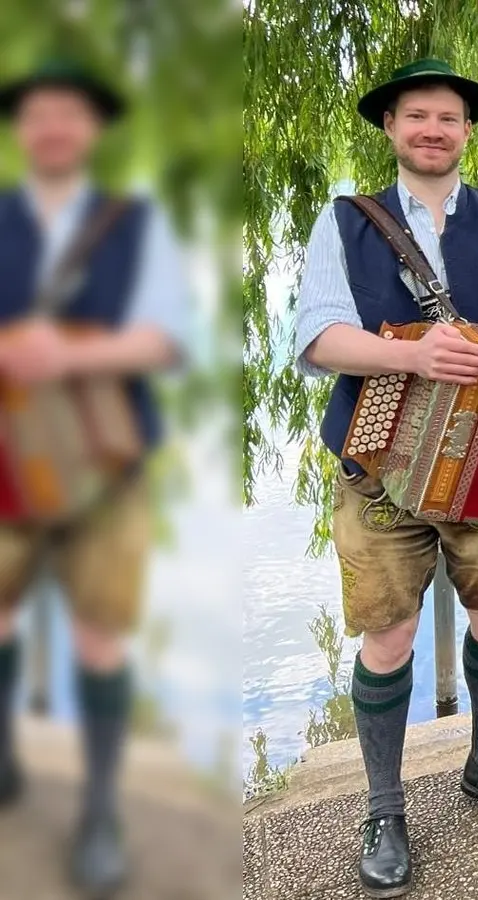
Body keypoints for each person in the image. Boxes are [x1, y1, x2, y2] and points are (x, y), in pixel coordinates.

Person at [292, 58, 478, 897]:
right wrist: (408, 352)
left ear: (467, 133)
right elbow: (317, 338)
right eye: (416, 116)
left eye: (449, 118)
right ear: (390, 128)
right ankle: (386, 807)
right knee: (388, 635)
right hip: (379, 469)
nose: (433, 129)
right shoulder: (344, 223)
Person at [0, 58, 193, 894]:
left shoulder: (134, 224)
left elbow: (165, 339)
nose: (52, 128)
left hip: (107, 458)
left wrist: (70, 351)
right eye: (37, 114)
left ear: (92, 130)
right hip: (3, 450)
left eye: (68, 115)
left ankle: (102, 813)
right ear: (20, 128)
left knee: (100, 632)